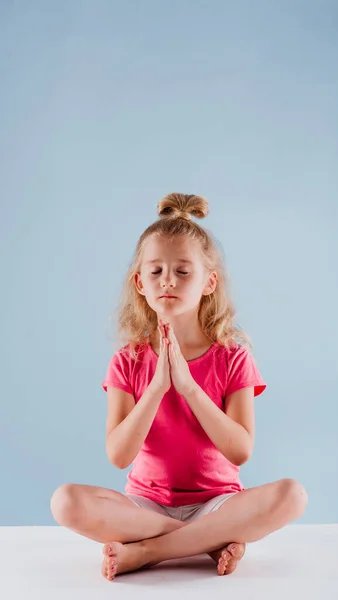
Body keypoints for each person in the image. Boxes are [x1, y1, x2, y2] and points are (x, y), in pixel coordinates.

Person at [50, 193, 308, 581]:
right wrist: (156, 388)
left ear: (209, 282)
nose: (167, 280)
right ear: (140, 283)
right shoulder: (127, 360)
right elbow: (119, 455)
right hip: (145, 509)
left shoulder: (233, 357)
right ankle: (204, 542)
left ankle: (151, 552)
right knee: (65, 501)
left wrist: (188, 387)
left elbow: (240, 451)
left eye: (183, 271)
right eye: (155, 271)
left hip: (218, 504)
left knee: (293, 495)